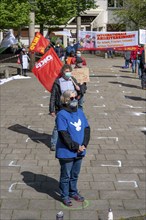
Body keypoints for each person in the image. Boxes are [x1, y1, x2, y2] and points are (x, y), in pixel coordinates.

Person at [55, 90, 90, 206]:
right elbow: (63, 134)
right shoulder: (61, 114)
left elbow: (86, 129)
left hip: (80, 150)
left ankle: (73, 192)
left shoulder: (80, 112)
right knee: (66, 175)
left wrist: (84, 144)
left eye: (76, 97)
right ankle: (64, 195)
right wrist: (76, 147)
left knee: (75, 174)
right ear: (65, 100)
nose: (74, 99)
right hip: (67, 151)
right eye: (71, 98)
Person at [49, 64, 81, 151]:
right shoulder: (58, 82)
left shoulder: (73, 80)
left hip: (73, 105)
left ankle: (71, 141)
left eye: (69, 71)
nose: (68, 73)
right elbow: (53, 96)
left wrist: (80, 89)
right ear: (62, 72)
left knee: (71, 124)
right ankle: (54, 143)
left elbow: (79, 92)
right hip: (62, 106)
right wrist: (52, 109)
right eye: (66, 72)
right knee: (58, 125)